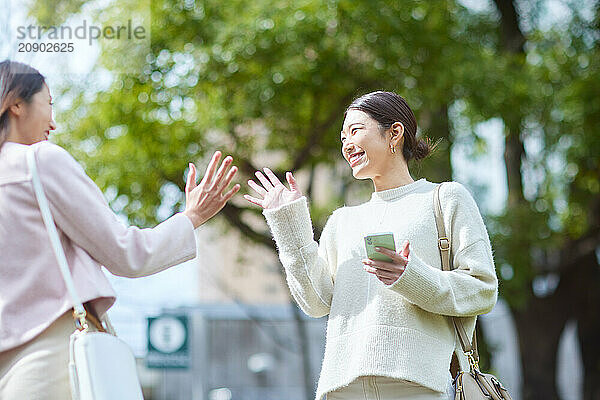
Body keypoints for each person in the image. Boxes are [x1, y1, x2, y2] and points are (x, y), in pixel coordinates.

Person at [0, 60, 240, 399]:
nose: (53, 123)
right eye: (49, 103)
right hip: (49, 359)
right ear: (17, 104)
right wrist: (193, 216)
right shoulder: (37, 162)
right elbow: (126, 254)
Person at [245, 91, 498, 400]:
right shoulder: (343, 220)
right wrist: (288, 222)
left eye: (355, 131)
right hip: (343, 389)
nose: (347, 144)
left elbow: (482, 290)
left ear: (394, 133)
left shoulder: (445, 199)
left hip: (418, 387)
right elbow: (316, 301)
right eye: (342, 138)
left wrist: (410, 276)